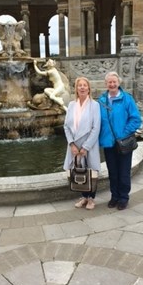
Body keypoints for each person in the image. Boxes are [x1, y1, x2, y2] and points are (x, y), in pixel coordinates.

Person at [98, 71, 142, 210]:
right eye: (109, 82)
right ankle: (114, 196)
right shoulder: (101, 100)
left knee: (123, 171)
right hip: (108, 143)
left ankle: (123, 197)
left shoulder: (127, 99)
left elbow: (136, 119)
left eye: (114, 82)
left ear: (118, 83)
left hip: (123, 142)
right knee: (112, 171)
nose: (112, 84)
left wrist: (123, 133)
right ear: (106, 84)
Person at [63, 77, 101, 210]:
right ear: (76, 89)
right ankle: (84, 196)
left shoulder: (94, 105)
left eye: (85, 85)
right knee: (79, 170)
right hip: (74, 146)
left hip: (88, 145)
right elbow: (66, 126)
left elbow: (96, 127)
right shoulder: (71, 105)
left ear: (89, 88)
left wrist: (85, 147)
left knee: (91, 170)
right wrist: (72, 144)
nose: (82, 87)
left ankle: (91, 199)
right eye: (80, 85)